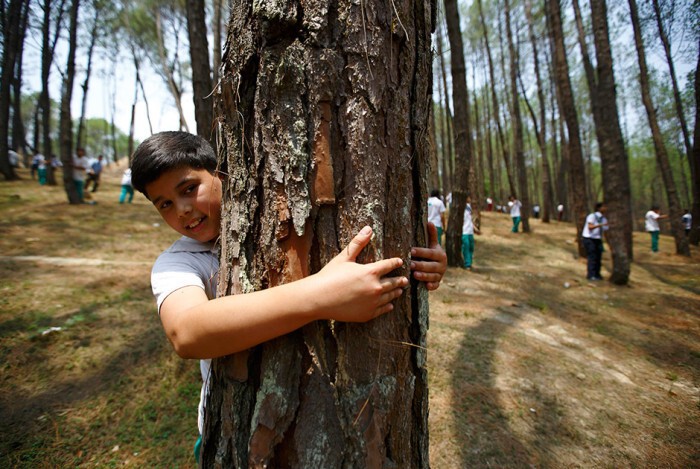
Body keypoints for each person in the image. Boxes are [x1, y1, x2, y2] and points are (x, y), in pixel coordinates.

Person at [130, 131, 448, 462]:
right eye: (164, 204)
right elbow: (186, 333)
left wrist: (422, 266)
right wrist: (321, 296)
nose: (181, 210)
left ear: (222, 173)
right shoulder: (177, 262)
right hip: (234, 434)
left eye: (189, 189)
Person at [582, 202, 608, 280]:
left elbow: (606, 230)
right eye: (604, 207)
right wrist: (599, 225)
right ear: (599, 208)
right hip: (589, 238)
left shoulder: (604, 219)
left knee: (598, 257)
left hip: (598, 239)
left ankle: (597, 274)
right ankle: (591, 275)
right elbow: (590, 227)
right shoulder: (592, 216)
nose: (605, 209)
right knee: (592, 257)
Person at [461, 195, 481, 271]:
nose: (470, 199)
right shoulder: (461, 208)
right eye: (469, 197)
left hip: (470, 232)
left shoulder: (468, 207)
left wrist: (475, 229)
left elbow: (469, 220)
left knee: (471, 247)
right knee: (466, 247)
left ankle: (470, 262)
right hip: (464, 232)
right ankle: (467, 264)